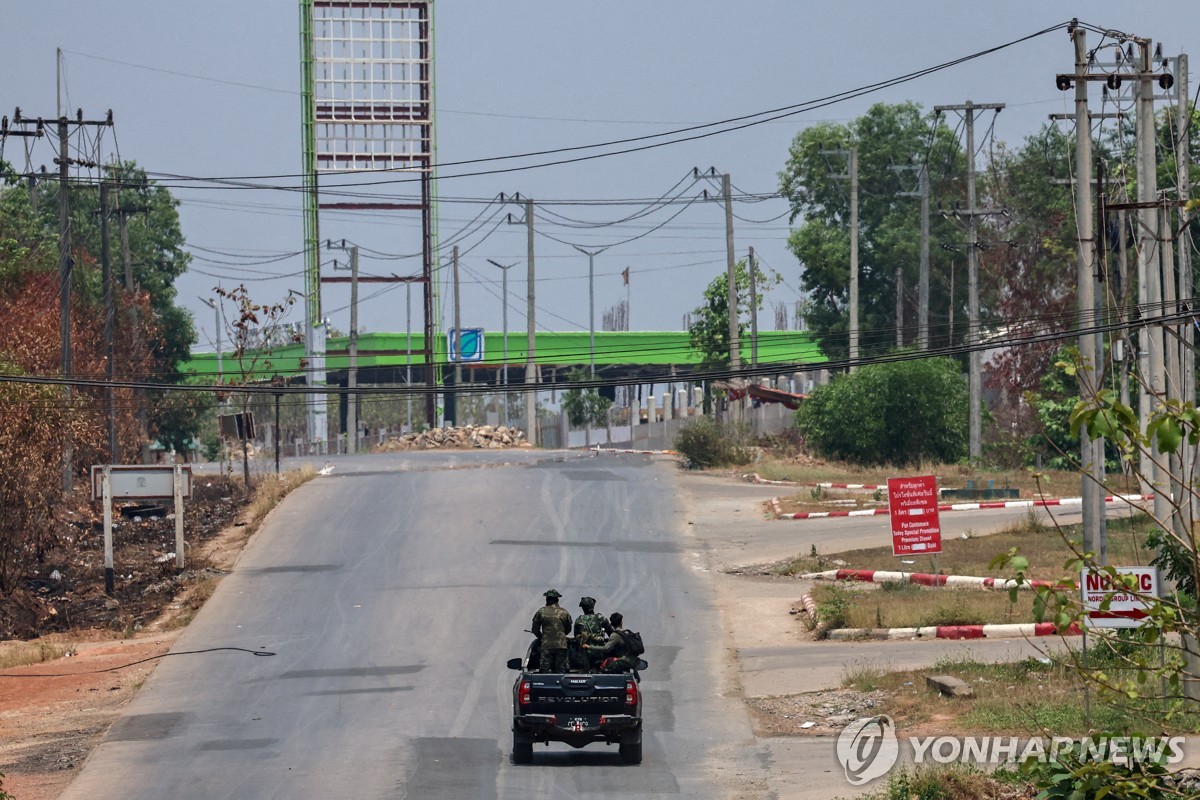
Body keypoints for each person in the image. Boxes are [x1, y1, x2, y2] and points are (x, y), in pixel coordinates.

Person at [531, 589, 572, 673]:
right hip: (561, 645)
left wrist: (541, 637)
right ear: (557, 600)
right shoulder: (564, 612)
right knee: (562, 671)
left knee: (544, 671)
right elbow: (568, 629)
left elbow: (535, 629)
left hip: (546, 645)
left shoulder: (541, 611)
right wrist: (561, 636)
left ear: (547, 599)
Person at [573, 596, 614, 672]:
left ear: (583, 608)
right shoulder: (601, 618)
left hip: (584, 654)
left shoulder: (579, 620)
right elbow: (611, 634)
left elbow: (576, 637)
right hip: (598, 653)